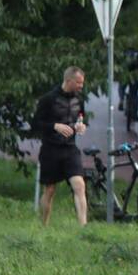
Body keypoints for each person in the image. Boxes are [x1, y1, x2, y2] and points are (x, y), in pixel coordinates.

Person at [33, 67, 88, 226]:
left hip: (70, 149)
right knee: (49, 190)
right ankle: (44, 225)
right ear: (68, 80)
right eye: (78, 82)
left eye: (82, 83)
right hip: (51, 149)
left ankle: (83, 228)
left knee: (79, 185)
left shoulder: (80, 100)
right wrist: (54, 126)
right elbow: (35, 123)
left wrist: (81, 126)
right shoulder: (48, 99)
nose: (81, 86)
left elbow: (81, 118)